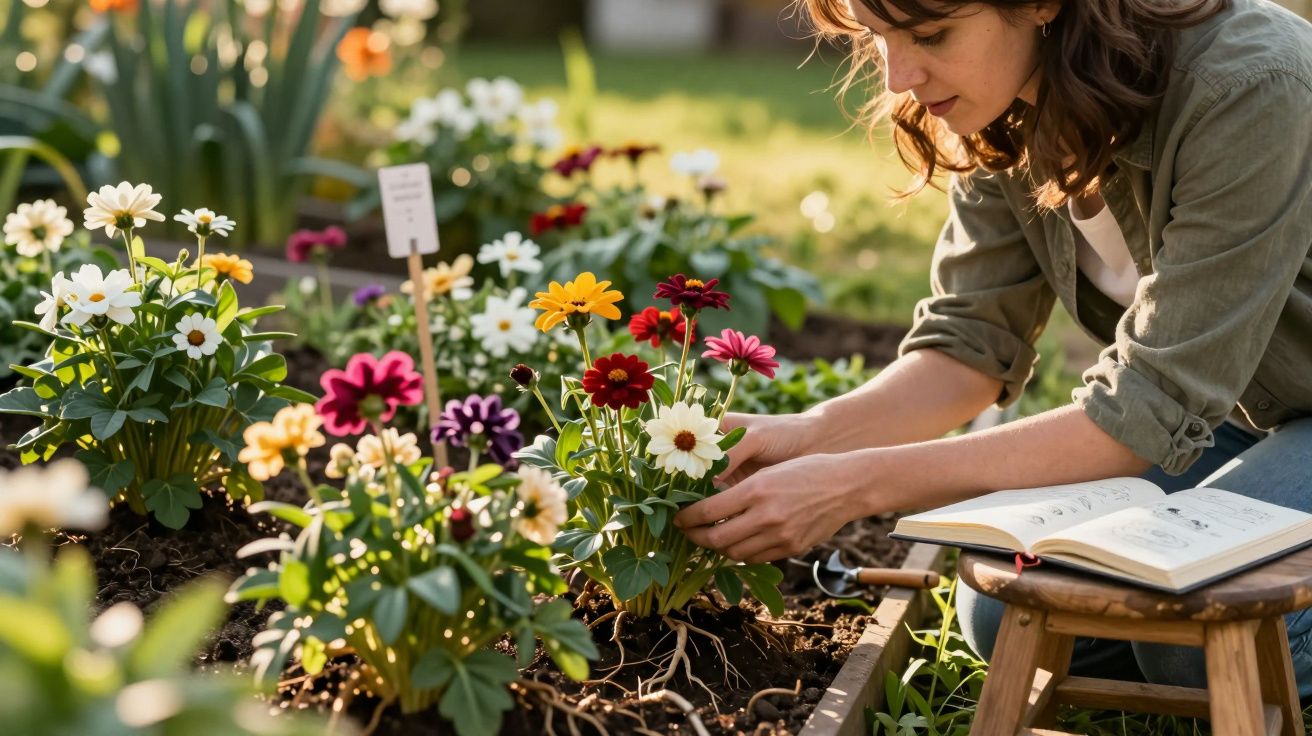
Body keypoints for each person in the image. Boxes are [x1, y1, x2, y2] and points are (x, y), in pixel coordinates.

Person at [672, 0, 1312, 692]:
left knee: (1196, 643)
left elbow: (1142, 411)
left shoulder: (1249, 85)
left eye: (930, 35)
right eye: (878, 38)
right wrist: (809, 435)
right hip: (1250, 416)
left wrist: (850, 486)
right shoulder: (1009, 102)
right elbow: (968, 347)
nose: (898, 77)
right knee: (1003, 610)